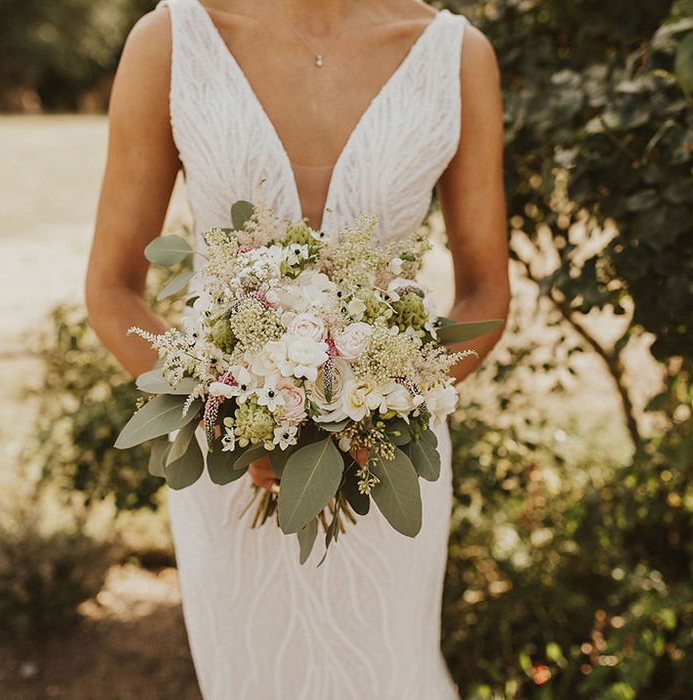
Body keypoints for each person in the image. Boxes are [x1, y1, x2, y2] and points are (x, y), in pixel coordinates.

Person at [85, 0, 509, 697]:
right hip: (226, 464)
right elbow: (111, 289)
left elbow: (486, 292)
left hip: (389, 462)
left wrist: (384, 407)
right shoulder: (173, 42)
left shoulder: (456, 56)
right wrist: (222, 410)